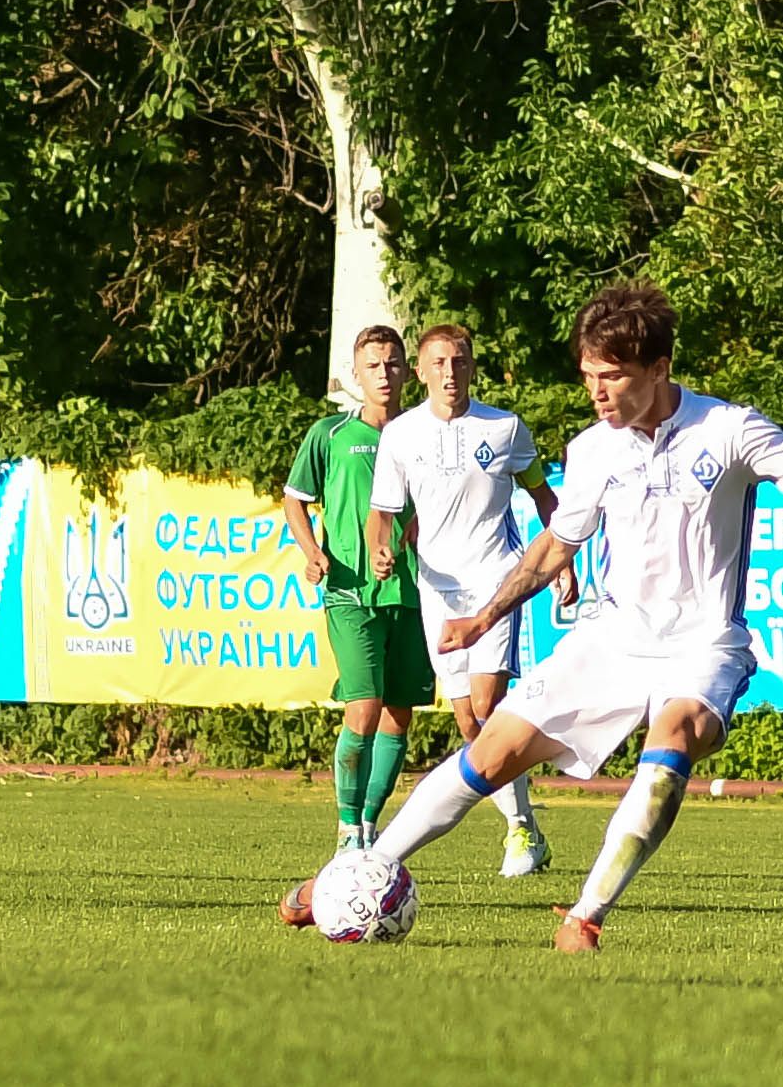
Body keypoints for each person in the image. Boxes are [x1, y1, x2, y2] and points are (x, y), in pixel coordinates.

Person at [282, 283, 780, 951]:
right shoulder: (593, 449)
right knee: (489, 750)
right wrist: (483, 618)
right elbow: (554, 545)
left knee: (673, 737)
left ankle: (585, 915)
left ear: (658, 368)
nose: (596, 392)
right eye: (587, 377)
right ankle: (355, 873)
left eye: (612, 376)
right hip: (611, 639)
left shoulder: (727, 430)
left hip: (701, 645)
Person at [362, 324, 572, 878]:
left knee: (487, 706)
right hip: (438, 587)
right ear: (421, 371)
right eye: (439, 363)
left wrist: (562, 561)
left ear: (471, 366)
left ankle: (519, 831)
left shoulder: (504, 428)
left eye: (459, 362)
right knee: (469, 725)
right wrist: (381, 549)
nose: (449, 373)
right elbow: (381, 514)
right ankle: (523, 822)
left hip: (496, 581)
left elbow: (543, 496)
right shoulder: (401, 435)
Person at [282, 326, 434, 859]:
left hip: (413, 592)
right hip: (350, 590)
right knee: (363, 707)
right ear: (355, 375)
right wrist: (312, 553)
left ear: (407, 371)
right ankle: (347, 827)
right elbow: (295, 498)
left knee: (398, 714)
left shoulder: (424, 435)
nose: (385, 374)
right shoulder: (331, 434)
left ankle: (370, 826)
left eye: (393, 364)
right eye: (373, 365)